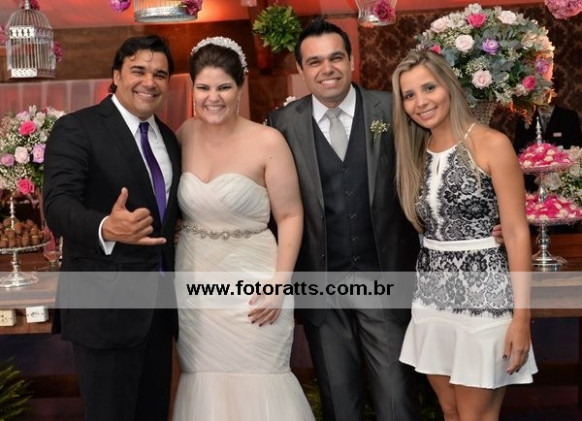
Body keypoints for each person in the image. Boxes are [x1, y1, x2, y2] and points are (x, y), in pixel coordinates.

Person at [268, 18, 421, 421]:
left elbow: (428, 168)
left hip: (384, 277)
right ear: (301, 70)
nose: (327, 69)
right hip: (321, 284)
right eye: (314, 61)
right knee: (339, 403)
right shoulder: (282, 124)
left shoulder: (392, 109)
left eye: (336, 57)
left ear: (352, 60)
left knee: (396, 400)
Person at [172, 37, 313, 421]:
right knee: (202, 380)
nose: (213, 97)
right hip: (195, 283)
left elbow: (291, 216)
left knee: (261, 376)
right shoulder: (184, 134)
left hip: (256, 280)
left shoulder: (268, 141)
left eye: (223, 87)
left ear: (240, 86)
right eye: (203, 87)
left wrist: (279, 284)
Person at [392, 49, 538, 421]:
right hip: (431, 298)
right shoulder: (414, 152)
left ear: (450, 87)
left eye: (429, 88)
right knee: (451, 411)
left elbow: (517, 233)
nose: (421, 102)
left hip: (486, 297)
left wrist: (522, 318)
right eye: (409, 95)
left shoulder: (492, 144)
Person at [43, 35, 181, 421]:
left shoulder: (169, 139)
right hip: (104, 311)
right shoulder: (77, 128)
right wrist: (106, 226)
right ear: (116, 75)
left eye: (160, 74)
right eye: (139, 70)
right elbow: (57, 206)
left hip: (159, 311)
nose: (149, 81)